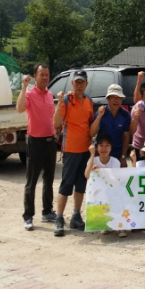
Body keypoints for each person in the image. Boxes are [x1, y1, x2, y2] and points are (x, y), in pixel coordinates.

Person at [52, 70, 94, 237]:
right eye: (76, 82)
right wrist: (59, 103)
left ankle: (76, 216)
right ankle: (59, 218)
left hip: (85, 149)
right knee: (66, 185)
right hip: (70, 149)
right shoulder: (66, 100)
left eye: (82, 82)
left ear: (86, 84)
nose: (79, 85)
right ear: (72, 84)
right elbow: (56, 123)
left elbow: (89, 123)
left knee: (81, 184)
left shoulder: (89, 101)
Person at [16, 63, 57, 231]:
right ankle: (28, 216)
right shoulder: (29, 94)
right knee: (31, 181)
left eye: (47, 74)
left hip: (50, 142)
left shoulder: (50, 94)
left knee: (49, 179)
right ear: (35, 76)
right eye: (42, 74)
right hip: (35, 142)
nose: (45, 77)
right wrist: (24, 87)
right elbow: (19, 108)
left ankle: (47, 211)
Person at [84, 134, 125, 237]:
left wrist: (101, 172)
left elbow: (115, 181)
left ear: (111, 148)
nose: (104, 148)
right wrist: (92, 155)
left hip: (112, 191)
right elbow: (87, 175)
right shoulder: (94, 160)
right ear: (97, 147)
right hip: (99, 192)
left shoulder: (115, 162)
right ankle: (105, 225)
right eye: (101, 145)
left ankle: (121, 226)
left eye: (107, 145)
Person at [89, 84, 131, 167]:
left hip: (118, 154)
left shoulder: (125, 114)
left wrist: (123, 156)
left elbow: (126, 137)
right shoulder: (101, 113)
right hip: (101, 153)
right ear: (108, 98)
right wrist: (99, 116)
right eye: (113, 97)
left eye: (119, 97)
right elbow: (92, 133)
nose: (116, 100)